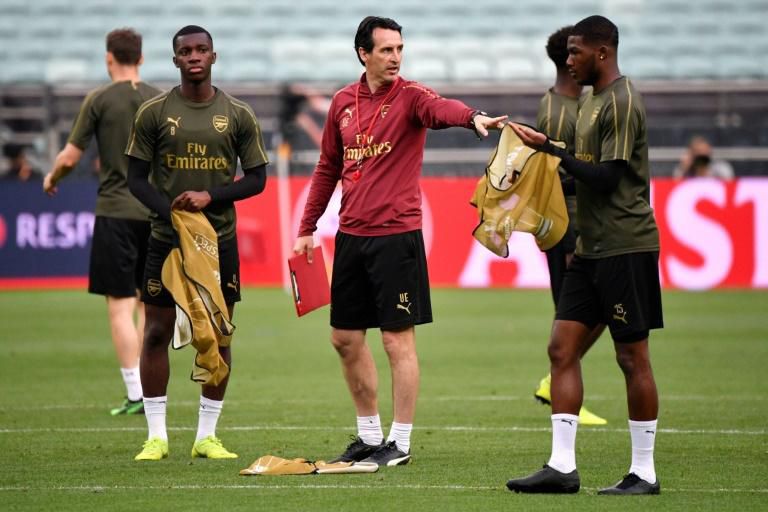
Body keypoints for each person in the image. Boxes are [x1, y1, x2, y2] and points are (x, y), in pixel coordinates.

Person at [292, 16, 506, 467]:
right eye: (386, 49)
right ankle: (369, 436)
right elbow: (328, 167)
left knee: (396, 341)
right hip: (351, 236)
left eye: (400, 49)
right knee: (345, 339)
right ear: (363, 54)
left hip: (397, 238)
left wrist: (472, 118)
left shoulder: (411, 97)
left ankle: (401, 443)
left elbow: (442, 109)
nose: (395, 57)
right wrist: (306, 228)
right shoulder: (341, 104)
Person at [506, 15, 663, 495]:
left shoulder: (622, 100)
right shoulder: (590, 102)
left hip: (624, 245)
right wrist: (528, 181)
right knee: (561, 348)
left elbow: (608, 178)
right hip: (589, 248)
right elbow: (580, 177)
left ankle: (644, 472)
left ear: (602, 52)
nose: (567, 60)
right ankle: (561, 467)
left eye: (575, 52)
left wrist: (552, 156)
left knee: (631, 356)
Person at [125, 25, 269, 461]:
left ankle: (207, 436)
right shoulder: (154, 112)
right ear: (174, 60)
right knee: (155, 332)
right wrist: (171, 211)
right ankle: (156, 437)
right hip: (166, 241)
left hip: (218, 244)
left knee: (219, 335)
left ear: (213, 56)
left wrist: (212, 197)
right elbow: (134, 178)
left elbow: (258, 179)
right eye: (185, 51)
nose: (193, 56)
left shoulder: (238, 114)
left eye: (201, 49)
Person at [43, 28, 161, 416]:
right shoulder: (159, 99)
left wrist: (52, 178)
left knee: (119, 305)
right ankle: (150, 389)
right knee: (149, 305)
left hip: (115, 212)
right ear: (141, 59)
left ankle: (134, 393)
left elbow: (70, 157)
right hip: (155, 214)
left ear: (109, 58)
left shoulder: (98, 99)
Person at [534, 26, 607, 427]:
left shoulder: (566, 102)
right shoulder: (560, 110)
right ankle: (558, 385)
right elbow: (553, 175)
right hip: (570, 227)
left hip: (580, 225)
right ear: (571, 58)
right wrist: (564, 237)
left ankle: (559, 382)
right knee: (577, 313)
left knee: (593, 311)